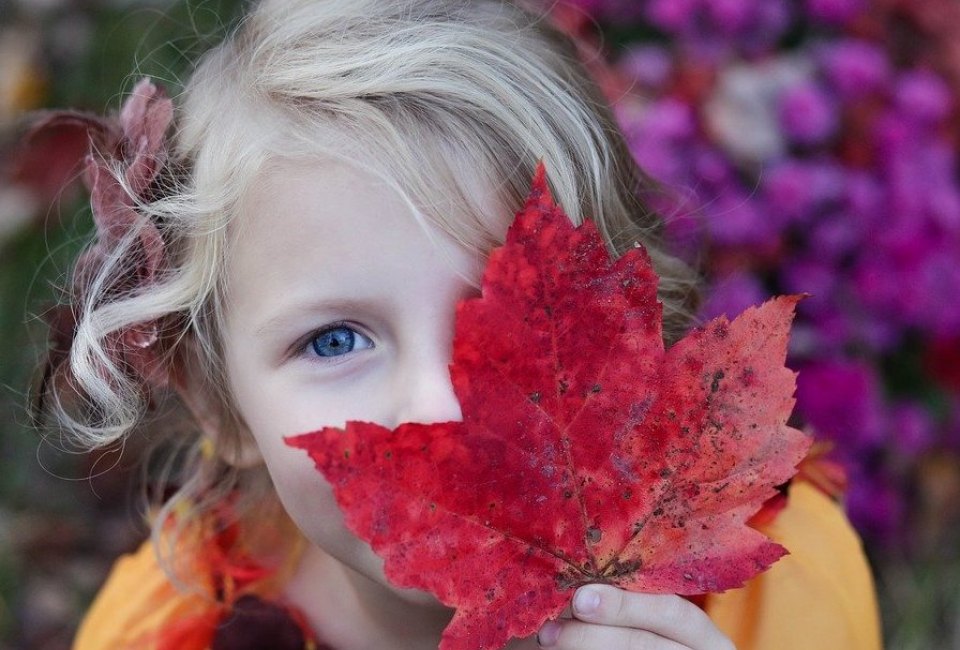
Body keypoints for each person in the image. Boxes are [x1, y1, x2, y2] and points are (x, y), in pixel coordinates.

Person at [30, 0, 882, 648]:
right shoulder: (161, 629)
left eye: (504, 318)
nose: (442, 412)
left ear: (632, 335)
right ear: (217, 403)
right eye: (334, 340)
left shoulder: (775, 588)